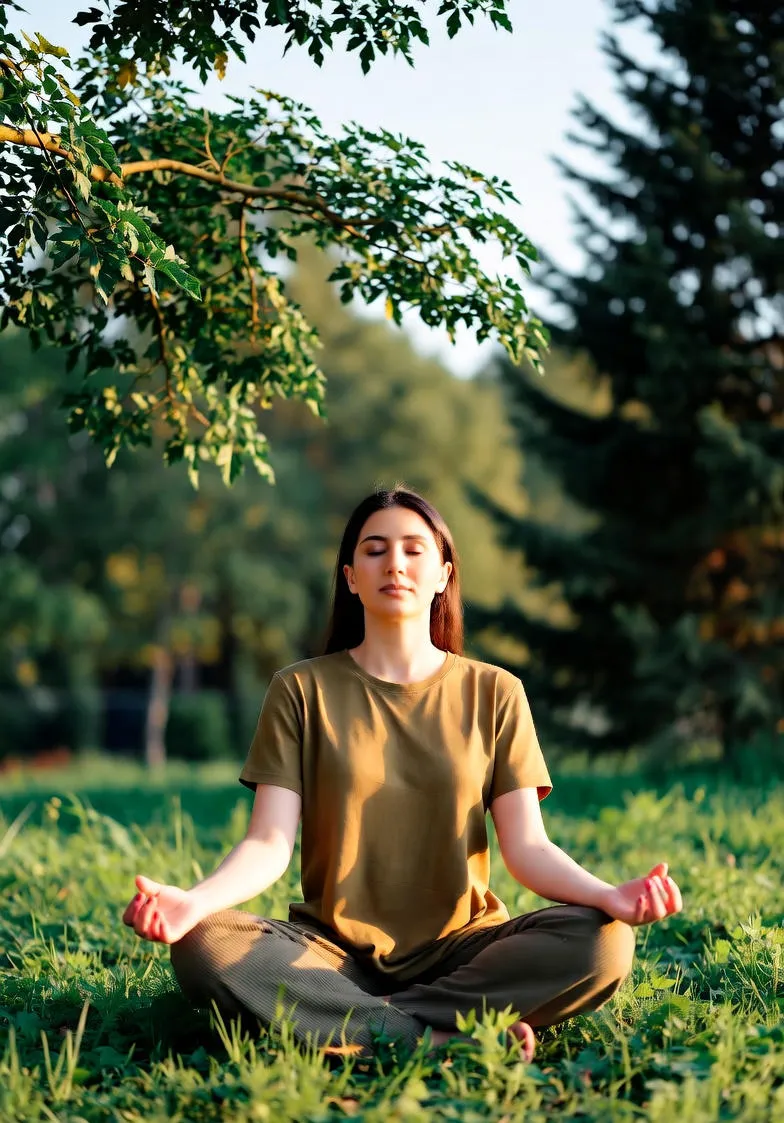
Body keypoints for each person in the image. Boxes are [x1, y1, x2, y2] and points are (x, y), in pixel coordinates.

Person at [122, 487, 683, 1061]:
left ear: (443, 575)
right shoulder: (300, 689)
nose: (395, 563)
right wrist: (195, 902)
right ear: (349, 577)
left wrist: (608, 896)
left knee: (604, 945)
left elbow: (528, 847)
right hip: (330, 953)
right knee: (203, 946)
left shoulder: (495, 692)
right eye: (375, 550)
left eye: (414, 550)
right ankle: (437, 1037)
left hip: (464, 949)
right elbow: (268, 842)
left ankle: (356, 1025)